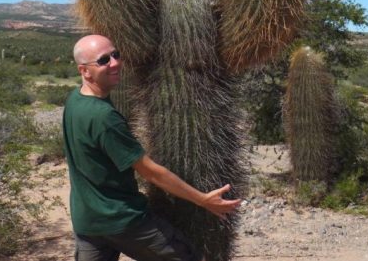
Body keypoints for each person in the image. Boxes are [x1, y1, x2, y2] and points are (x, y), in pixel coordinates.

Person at [63, 35, 241, 261]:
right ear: (85, 71)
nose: (115, 63)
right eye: (103, 60)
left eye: (116, 55)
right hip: (121, 220)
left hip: (87, 221)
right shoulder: (104, 117)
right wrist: (202, 199)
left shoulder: (74, 100)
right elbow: (150, 171)